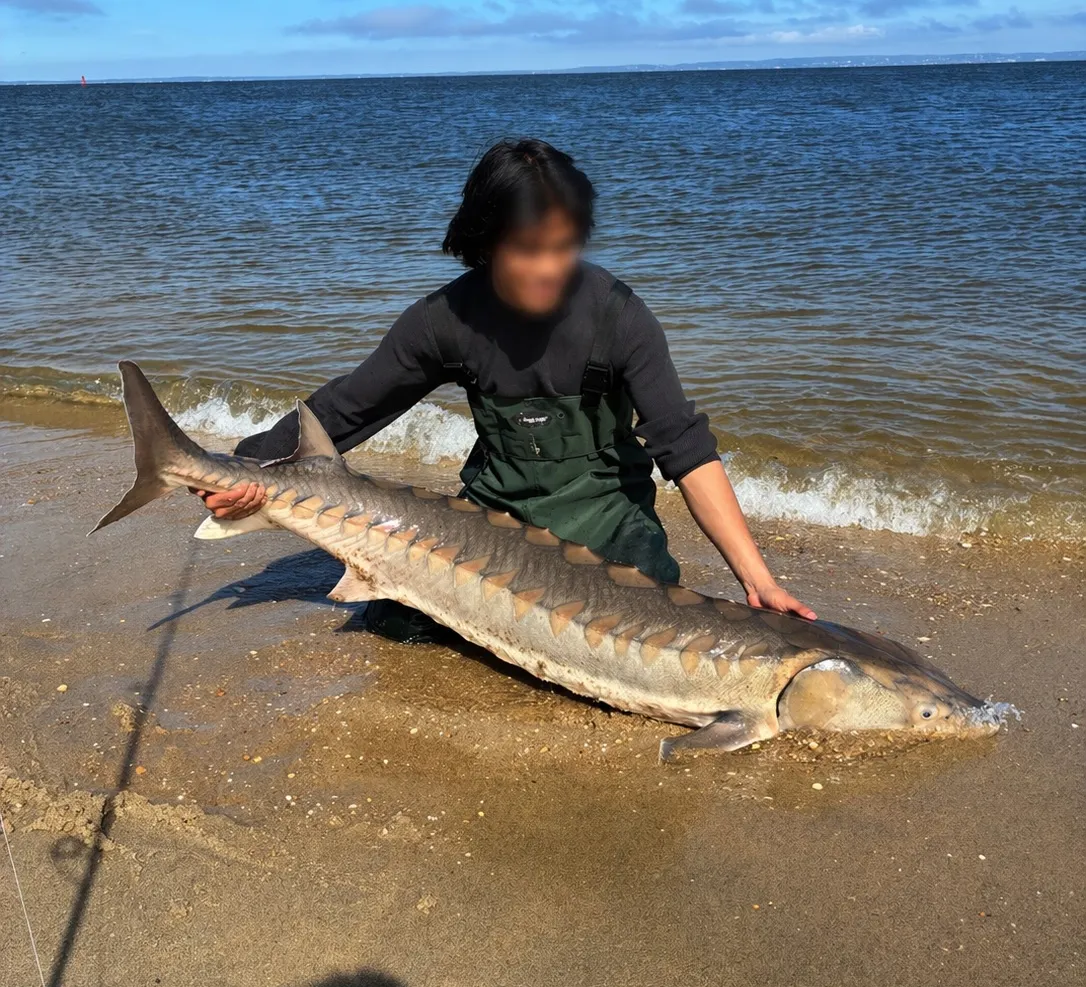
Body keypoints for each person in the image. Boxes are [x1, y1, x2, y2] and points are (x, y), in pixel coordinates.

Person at [197, 138, 814, 641]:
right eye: (529, 250)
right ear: (487, 243)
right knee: (397, 624)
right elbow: (347, 409)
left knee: (640, 629)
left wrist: (756, 579)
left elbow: (684, 447)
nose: (551, 268)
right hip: (498, 516)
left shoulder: (620, 318)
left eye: (566, 247)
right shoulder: (445, 320)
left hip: (608, 517)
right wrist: (238, 470)